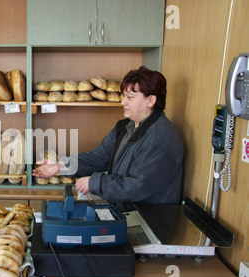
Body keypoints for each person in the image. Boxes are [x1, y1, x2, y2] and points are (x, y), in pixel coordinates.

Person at [33, 66, 184, 210]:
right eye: (124, 96)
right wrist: (60, 165)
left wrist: (94, 183)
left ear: (151, 100)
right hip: (124, 210)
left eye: (130, 97)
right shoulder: (125, 127)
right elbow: (98, 157)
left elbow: (138, 186)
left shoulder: (161, 137)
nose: (122, 102)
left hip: (147, 222)